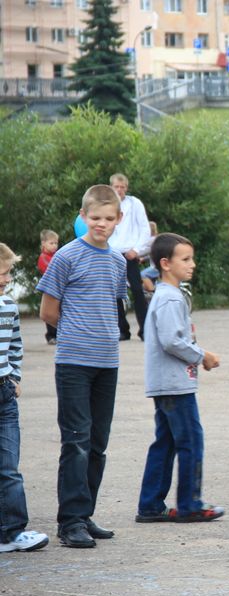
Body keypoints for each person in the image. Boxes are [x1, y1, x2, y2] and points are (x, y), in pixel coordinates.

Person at [37, 185, 127, 548]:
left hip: (108, 363)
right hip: (74, 362)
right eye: (95, 218)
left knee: (98, 443)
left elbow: (113, 305)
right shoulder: (66, 257)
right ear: (83, 216)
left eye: (108, 218)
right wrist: (78, 334)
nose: (101, 224)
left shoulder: (118, 261)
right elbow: (48, 311)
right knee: (76, 440)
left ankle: (85, 514)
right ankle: (70, 521)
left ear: (118, 219)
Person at [135, 233, 224, 524]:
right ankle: (190, 504)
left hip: (166, 384)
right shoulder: (170, 298)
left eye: (191, 258)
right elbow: (172, 341)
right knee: (191, 442)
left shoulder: (166, 295)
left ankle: (150, 505)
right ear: (165, 264)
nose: (192, 264)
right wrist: (202, 356)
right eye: (185, 259)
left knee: (166, 443)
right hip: (174, 385)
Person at [0, 244, 49, 553]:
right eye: (3, 273)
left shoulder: (8, 305)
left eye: (8, 273)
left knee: (9, 467)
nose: (7, 279)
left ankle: (12, 532)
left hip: (4, 393)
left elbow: (15, 345)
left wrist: (14, 377)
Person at [108, 173, 151, 342]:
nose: (119, 190)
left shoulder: (134, 203)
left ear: (126, 188)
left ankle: (145, 329)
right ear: (111, 187)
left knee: (137, 291)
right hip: (112, 253)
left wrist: (137, 249)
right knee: (115, 293)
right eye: (116, 187)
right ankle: (122, 329)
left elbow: (144, 228)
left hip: (129, 253)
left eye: (122, 187)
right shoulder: (106, 204)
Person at [37, 229, 59, 345]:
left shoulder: (56, 256)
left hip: (57, 288)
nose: (54, 245)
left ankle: (57, 334)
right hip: (49, 289)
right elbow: (48, 269)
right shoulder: (43, 257)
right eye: (51, 243)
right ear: (43, 243)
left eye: (56, 243)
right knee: (50, 312)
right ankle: (51, 335)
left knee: (58, 311)